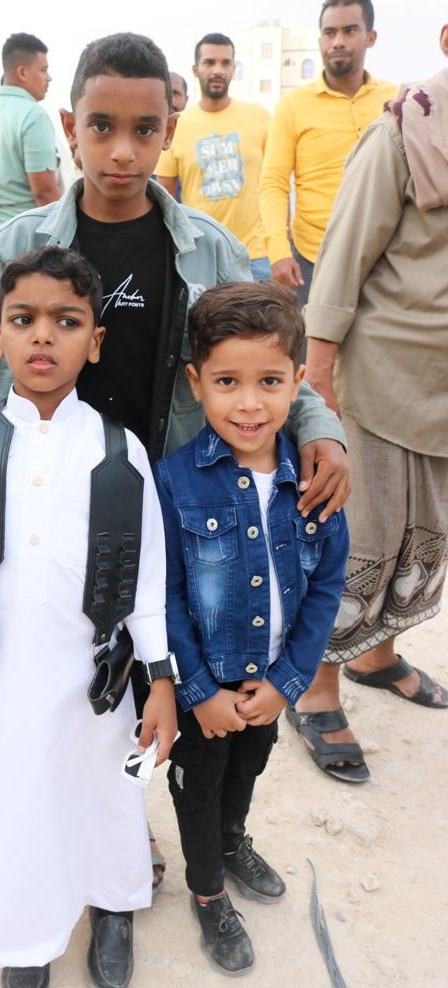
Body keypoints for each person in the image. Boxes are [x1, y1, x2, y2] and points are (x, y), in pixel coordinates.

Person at [0, 30, 350, 891]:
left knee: (167, 678)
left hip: (167, 508)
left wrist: (319, 425)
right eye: (100, 126)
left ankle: (189, 836)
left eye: (143, 130)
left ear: (167, 130)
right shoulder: (19, 246)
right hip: (41, 509)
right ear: (69, 125)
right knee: (69, 683)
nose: (120, 150)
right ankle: (105, 842)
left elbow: (264, 349)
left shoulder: (208, 248)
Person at [0, 246, 178, 988]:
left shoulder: (118, 450)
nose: (42, 336)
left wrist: (159, 679)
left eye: (66, 321)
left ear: (95, 342)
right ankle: (23, 933)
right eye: (23, 319)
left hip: (94, 672)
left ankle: (112, 905)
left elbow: (146, 581)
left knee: (103, 789)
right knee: (10, 797)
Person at [154, 282, 348, 973]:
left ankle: (233, 841)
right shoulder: (173, 482)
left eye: (269, 381)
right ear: (196, 383)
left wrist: (287, 682)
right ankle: (207, 891)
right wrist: (199, 692)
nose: (248, 404)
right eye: (227, 382)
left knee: (248, 768)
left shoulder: (314, 483)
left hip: (269, 684)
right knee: (198, 785)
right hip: (202, 691)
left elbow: (325, 586)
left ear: (298, 380)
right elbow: (164, 596)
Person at [288, 23, 448, 783]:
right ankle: (315, 690)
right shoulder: (404, 130)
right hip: (382, 375)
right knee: (358, 541)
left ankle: (376, 658)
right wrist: (317, 380)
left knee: (423, 539)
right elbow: (343, 253)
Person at [260, 0, 395, 303]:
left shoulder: (395, 100)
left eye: (350, 31)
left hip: (387, 259)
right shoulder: (293, 106)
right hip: (313, 260)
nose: (338, 42)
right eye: (329, 32)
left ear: (371, 37)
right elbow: (274, 183)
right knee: (312, 337)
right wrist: (279, 251)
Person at [156, 33, 272, 282]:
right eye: (209, 63)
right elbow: (165, 199)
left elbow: (275, 182)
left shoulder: (259, 117)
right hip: (202, 256)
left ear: (233, 68)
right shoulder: (177, 126)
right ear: (195, 69)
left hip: (256, 256)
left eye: (225, 63)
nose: (217, 70)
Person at [0, 32, 60, 234]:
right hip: (21, 238)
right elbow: (44, 193)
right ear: (22, 72)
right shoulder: (34, 116)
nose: (49, 78)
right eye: (43, 70)